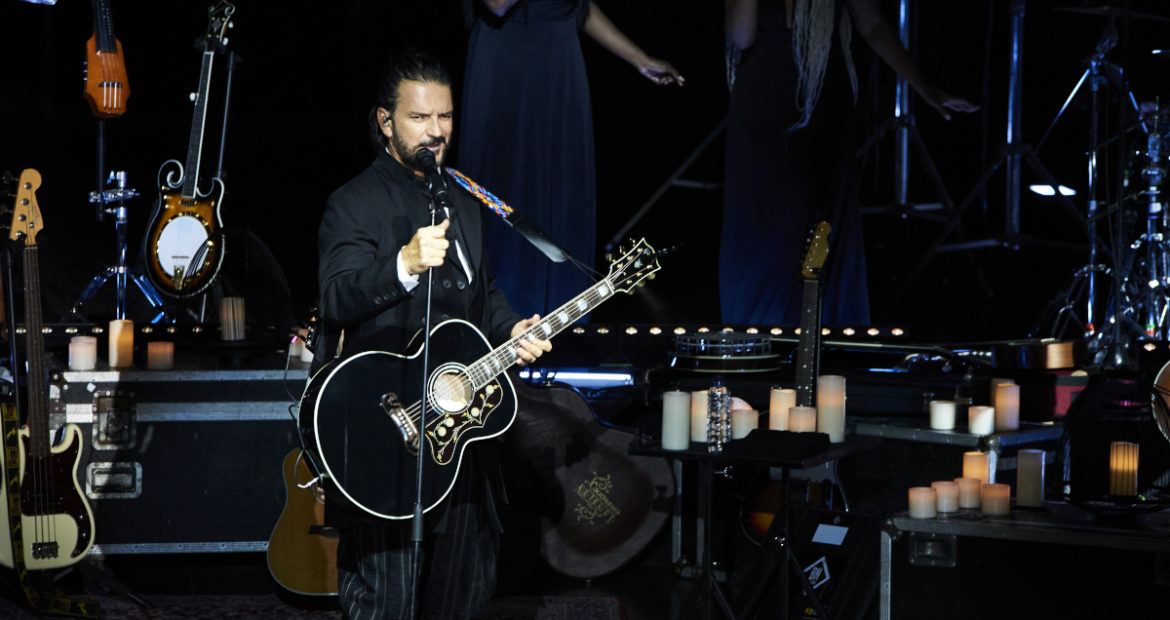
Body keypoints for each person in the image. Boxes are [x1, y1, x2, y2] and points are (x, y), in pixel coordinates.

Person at [316, 48, 551, 619]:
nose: (436, 131)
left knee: (463, 594)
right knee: (388, 601)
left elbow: (482, 295)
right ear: (385, 121)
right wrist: (403, 263)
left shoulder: (465, 200)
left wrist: (511, 327)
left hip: (463, 431)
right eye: (420, 118)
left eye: (444, 117)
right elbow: (336, 297)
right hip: (389, 435)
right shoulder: (353, 203)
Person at [721, 0, 978, 326]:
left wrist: (923, 87)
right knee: (763, 225)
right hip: (763, 101)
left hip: (823, 97)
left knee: (822, 224)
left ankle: (826, 340)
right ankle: (758, 335)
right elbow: (741, 36)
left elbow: (871, 24)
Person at [458, 0, 683, 318]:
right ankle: (500, 333)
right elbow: (496, 5)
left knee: (564, 201)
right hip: (510, 68)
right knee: (507, 205)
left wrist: (639, 59)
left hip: (560, 68)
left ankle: (562, 336)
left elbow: (576, 7)